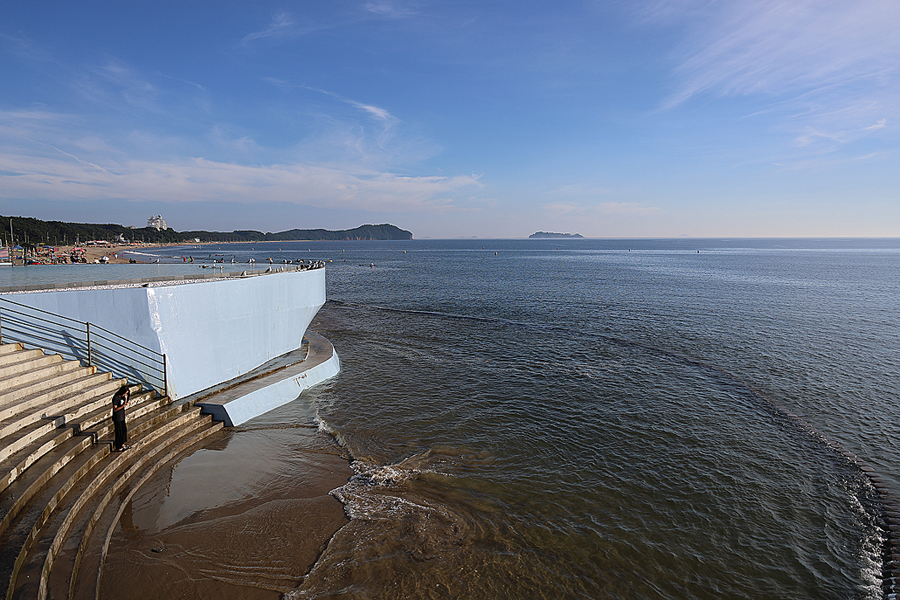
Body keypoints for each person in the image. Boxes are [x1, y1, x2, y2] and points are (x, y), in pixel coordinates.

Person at [112, 385, 131, 451]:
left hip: (122, 416)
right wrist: (123, 405)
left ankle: (122, 443)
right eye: (125, 393)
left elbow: (124, 403)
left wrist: (126, 399)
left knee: (123, 431)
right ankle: (118, 447)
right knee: (119, 432)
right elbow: (115, 409)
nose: (125, 394)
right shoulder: (116, 398)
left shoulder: (122, 397)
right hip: (117, 417)